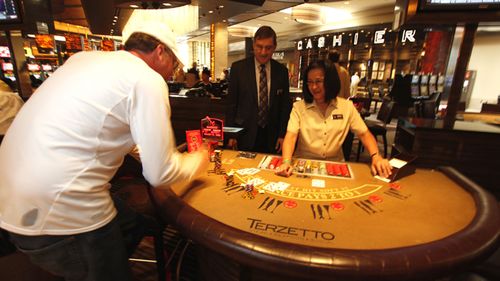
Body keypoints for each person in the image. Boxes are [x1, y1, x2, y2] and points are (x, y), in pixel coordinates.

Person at [0, 21, 209, 281]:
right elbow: (160, 174)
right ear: (159, 52)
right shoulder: (147, 79)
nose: (172, 73)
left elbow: (102, 126)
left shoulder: (82, 59)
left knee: (134, 225)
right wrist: (198, 160)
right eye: (174, 65)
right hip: (59, 208)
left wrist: (155, 153)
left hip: (8, 198)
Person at [275, 60, 392, 178]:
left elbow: (364, 134)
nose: (314, 87)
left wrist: (376, 156)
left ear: (330, 81)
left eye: (319, 81)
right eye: (309, 82)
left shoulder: (346, 107)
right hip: (303, 164)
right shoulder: (298, 107)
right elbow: (291, 136)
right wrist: (285, 162)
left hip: (335, 166)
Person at [228, 25, 292, 153]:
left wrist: (282, 135)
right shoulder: (238, 69)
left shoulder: (282, 71)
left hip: (272, 136)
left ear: (274, 47)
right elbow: (231, 105)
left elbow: (285, 106)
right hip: (244, 134)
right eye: (259, 47)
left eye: (268, 48)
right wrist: (231, 135)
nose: (263, 52)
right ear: (253, 45)